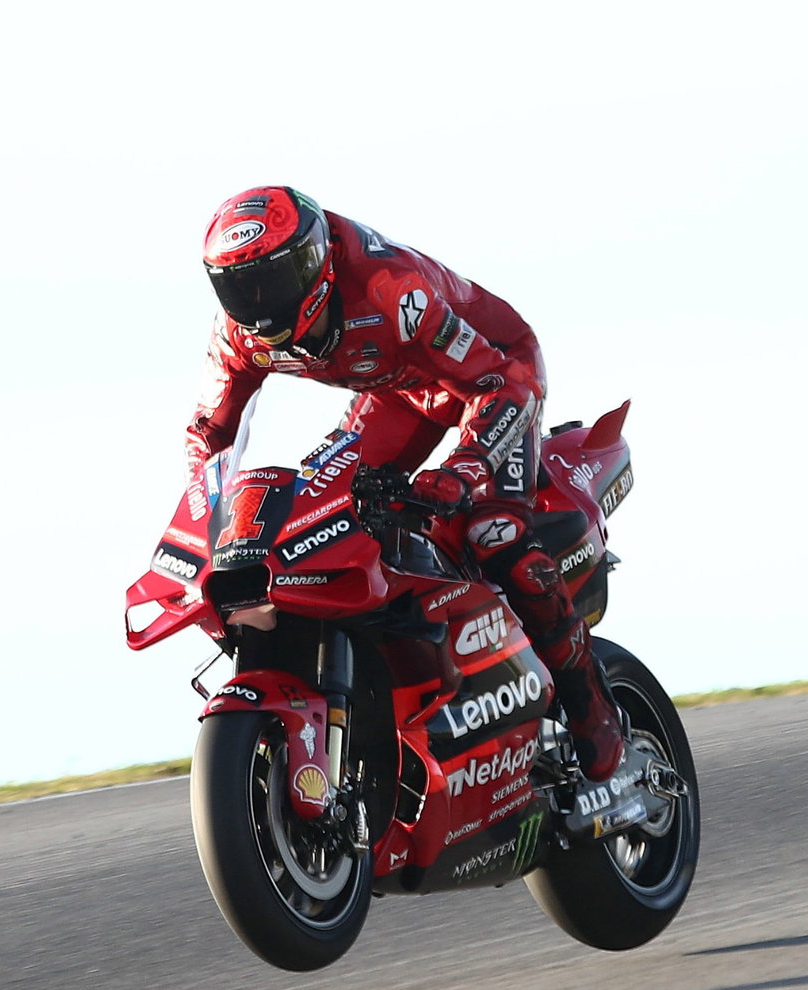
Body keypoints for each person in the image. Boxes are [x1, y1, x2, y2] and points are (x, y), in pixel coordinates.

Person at [185, 185, 625, 782]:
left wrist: (464, 470)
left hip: (493, 374)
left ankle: (588, 703)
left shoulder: (389, 291)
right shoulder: (238, 336)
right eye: (241, 287)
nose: (262, 304)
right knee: (329, 515)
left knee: (493, 529)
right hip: (397, 391)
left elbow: (499, 381)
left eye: (277, 278)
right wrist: (208, 514)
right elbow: (209, 434)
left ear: (316, 258)